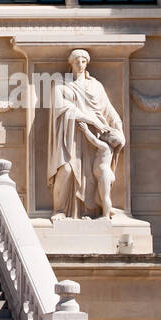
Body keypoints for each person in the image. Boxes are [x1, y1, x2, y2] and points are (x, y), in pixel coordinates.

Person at [48, 48, 125, 219]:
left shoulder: (96, 86)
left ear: (87, 63)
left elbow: (109, 111)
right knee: (66, 170)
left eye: (83, 61)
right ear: (71, 63)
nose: (80, 65)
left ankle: (97, 208)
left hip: (95, 137)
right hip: (70, 136)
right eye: (77, 61)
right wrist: (91, 120)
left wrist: (119, 130)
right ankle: (59, 210)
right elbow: (63, 108)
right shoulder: (61, 85)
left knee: (92, 174)